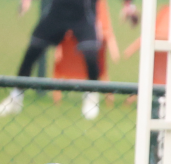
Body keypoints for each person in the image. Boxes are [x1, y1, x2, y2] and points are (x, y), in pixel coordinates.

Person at [0, 0, 139, 119]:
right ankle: (15, 98)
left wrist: (129, 7)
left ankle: (91, 97)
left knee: (91, 55)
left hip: (84, 15)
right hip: (57, 13)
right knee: (32, 51)